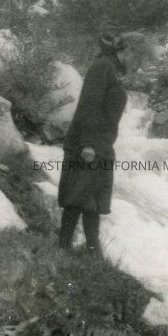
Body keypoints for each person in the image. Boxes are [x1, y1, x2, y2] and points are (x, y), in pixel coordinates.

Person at [58, 31, 145, 253]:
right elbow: (89, 105)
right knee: (77, 196)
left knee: (93, 201)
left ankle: (92, 251)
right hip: (88, 144)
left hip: (102, 145)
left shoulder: (112, 70)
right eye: (139, 57)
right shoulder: (103, 67)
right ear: (128, 51)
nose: (140, 64)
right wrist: (87, 143)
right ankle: (63, 248)